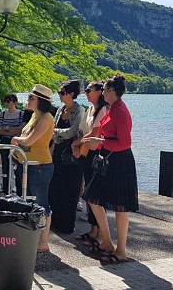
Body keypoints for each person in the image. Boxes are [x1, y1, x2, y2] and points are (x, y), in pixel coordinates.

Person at [82, 74, 138, 263]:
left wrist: (100, 142)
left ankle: (121, 251)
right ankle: (107, 241)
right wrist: (98, 143)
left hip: (120, 161)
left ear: (112, 91)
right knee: (92, 197)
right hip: (108, 159)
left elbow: (125, 142)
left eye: (105, 89)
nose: (102, 92)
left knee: (121, 207)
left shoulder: (120, 111)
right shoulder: (112, 108)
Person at [11, 84, 55, 253]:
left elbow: (28, 140)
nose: (28, 100)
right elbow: (26, 138)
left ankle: (43, 241)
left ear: (41, 101)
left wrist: (15, 139)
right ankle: (33, 237)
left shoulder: (46, 118)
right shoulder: (34, 116)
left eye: (31, 98)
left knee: (42, 202)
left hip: (40, 166)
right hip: (28, 165)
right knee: (29, 201)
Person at [72, 81, 109, 242]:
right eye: (85, 90)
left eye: (89, 90)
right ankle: (93, 229)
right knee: (88, 192)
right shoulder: (90, 110)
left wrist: (76, 143)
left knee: (96, 193)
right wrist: (77, 144)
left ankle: (100, 231)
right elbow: (83, 131)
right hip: (87, 153)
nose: (86, 93)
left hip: (97, 154)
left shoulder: (103, 109)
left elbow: (95, 132)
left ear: (99, 92)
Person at [48, 80, 84, 234]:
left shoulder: (79, 111)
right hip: (58, 151)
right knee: (55, 186)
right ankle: (54, 221)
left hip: (72, 153)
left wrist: (55, 133)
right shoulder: (60, 110)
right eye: (59, 92)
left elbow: (72, 131)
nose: (60, 96)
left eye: (62, 93)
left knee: (70, 189)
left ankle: (67, 224)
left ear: (71, 94)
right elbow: (56, 129)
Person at [0, 93, 24, 194]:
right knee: (5, 166)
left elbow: (20, 129)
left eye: (9, 101)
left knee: (17, 166)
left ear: (15, 102)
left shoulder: (21, 114)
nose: (6, 103)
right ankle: (6, 189)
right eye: (5, 101)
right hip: (4, 141)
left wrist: (7, 128)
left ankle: (19, 190)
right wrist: (11, 130)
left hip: (16, 142)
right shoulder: (3, 114)